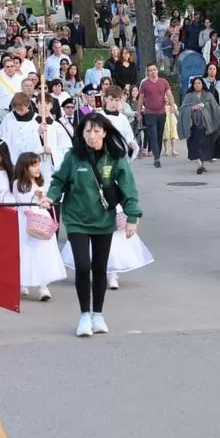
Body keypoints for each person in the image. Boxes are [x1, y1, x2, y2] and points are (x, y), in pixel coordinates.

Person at [40, 114, 142, 337]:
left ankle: (98, 314)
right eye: (87, 131)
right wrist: (51, 196)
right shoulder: (73, 157)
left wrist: (132, 217)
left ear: (104, 132)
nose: (92, 136)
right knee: (83, 266)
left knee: (99, 268)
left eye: (96, 131)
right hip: (76, 220)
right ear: (82, 133)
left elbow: (128, 188)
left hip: (104, 220)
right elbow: (59, 181)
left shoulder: (115, 158)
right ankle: (84, 315)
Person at [11, 152, 66, 301]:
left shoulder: (41, 183)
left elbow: (46, 203)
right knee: (26, 251)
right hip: (25, 220)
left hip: (41, 218)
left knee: (43, 251)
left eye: (38, 165)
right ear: (25, 167)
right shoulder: (18, 184)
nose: (37, 168)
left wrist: (43, 199)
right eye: (33, 165)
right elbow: (20, 202)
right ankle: (24, 281)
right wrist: (32, 199)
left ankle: (43, 286)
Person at [137, 64, 175, 168]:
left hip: (161, 112)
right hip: (149, 113)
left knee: (159, 135)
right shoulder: (144, 84)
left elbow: (169, 94)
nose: (152, 72)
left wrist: (172, 106)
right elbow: (140, 99)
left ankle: (157, 152)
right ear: (147, 72)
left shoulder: (163, 82)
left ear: (157, 71)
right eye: (150, 70)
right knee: (153, 135)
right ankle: (156, 157)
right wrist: (139, 112)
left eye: (154, 69)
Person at [0, 93, 44, 163]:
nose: (19, 112)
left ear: (27, 105)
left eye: (21, 109)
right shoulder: (8, 118)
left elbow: (39, 142)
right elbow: (3, 138)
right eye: (16, 109)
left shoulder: (36, 119)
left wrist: (38, 133)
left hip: (30, 159)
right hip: (13, 159)